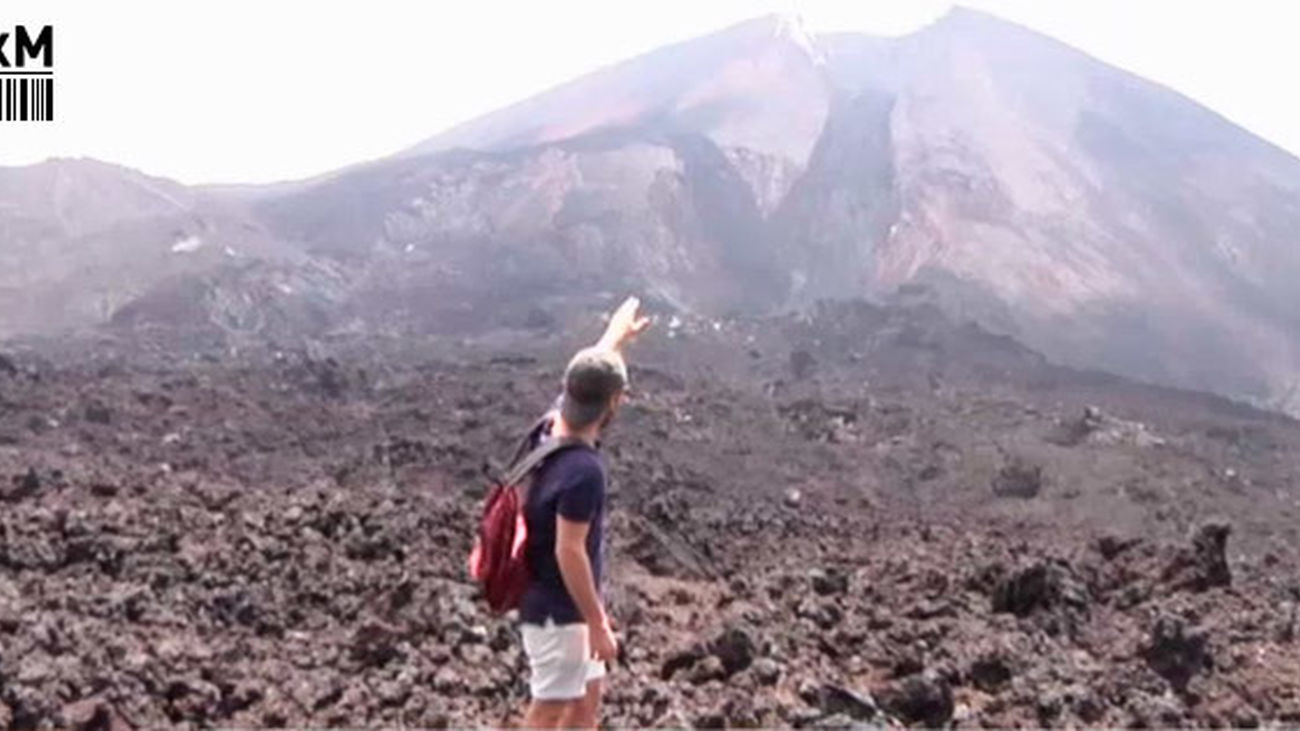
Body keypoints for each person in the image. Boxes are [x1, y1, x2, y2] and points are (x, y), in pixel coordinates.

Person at [519, 296, 651, 729]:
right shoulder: (583, 471)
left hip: (563, 605)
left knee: (585, 702)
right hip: (561, 613)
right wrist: (596, 621)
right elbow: (569, 551)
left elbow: (589, 378)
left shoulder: (552, 426)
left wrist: (616, 336)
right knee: (551, 707)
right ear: (615, 404)